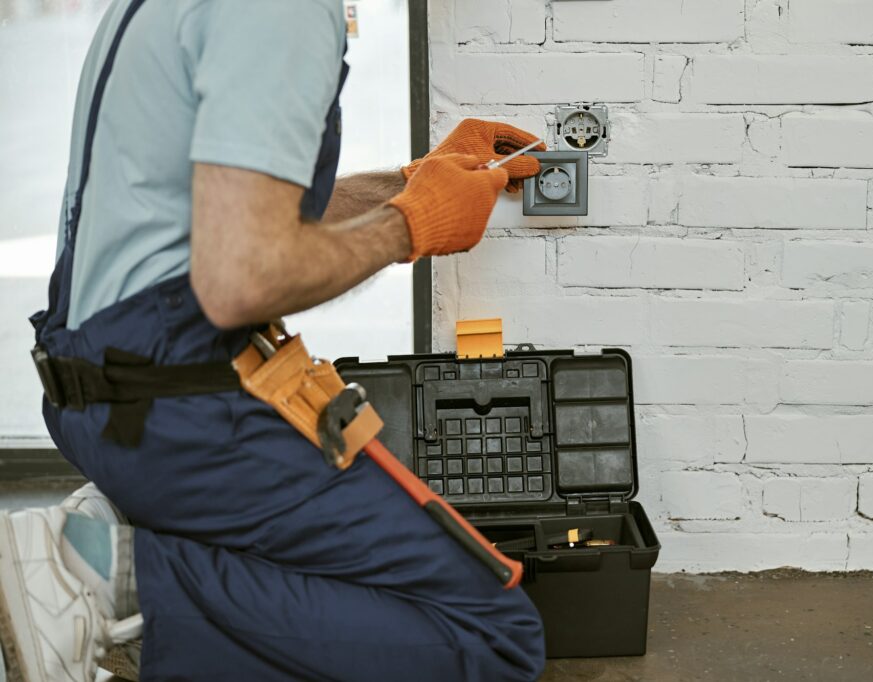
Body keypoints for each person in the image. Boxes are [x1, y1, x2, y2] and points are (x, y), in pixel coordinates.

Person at [0, 1, 547, 680]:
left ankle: (121, 536)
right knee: (491, 636)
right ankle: (105, 583)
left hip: (103, 391)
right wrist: (412, 225)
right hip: (174, 409)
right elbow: (242, 277)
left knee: (320, 599)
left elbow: (249, 208)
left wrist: (414, 184)